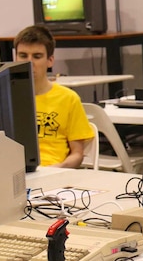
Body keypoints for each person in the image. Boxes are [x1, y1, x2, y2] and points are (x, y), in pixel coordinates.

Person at [14, 25, 92, 168]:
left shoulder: (68, 98)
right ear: (15, 57)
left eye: (37, 56)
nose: (29, 63)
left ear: (50, 60)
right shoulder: (6, 98)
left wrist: (57, 169)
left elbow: (77, 154)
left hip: (54, 174)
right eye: (23, 56)